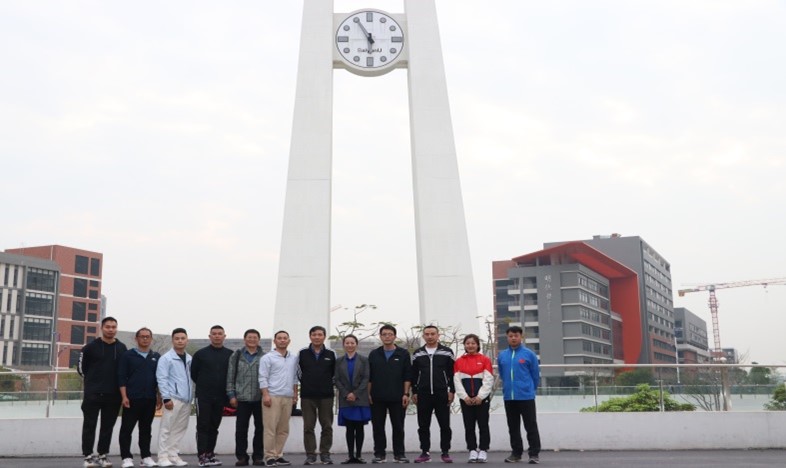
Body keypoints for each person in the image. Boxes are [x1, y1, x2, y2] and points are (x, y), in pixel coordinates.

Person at [79, 316, 128, 468]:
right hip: (92, 394)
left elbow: (124, 370)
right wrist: (92, 382)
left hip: (113, 395)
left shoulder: (122, 348)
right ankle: (88, 456)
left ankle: (102, 455)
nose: (111, 330)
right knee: (89, 425)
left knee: (107, 427)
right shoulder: (90, 347)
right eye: (108, 327)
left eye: (114, 327)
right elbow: (81, 369)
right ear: (101, 328)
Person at [118, 327, 162, 468]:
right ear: (136, 338)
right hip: (131, 399)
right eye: (142, 336)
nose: (145, 339)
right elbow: (121, 377)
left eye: (147, 336)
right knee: (126, 429)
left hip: (149, 398)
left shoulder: (156, 356)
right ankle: (126, 458)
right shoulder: (128, 355)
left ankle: (146, 457)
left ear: (151, 339)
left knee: (146, 429)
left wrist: (159, 396)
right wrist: (124, 396)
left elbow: (159, 379)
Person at [367, 324, 412, 464]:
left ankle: (399, 454)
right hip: (377, 397)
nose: (387, 337)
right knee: (378, 427)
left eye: (390, 334)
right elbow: (369, 377)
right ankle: (379, 454)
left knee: (398, 426)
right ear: (380, 337)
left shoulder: (403, 354)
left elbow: (407, 376)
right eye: (384, 334)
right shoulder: (374, 354)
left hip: (398, 396)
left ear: (395, 336)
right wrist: (368, 394)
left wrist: (406, 394)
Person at [411, 325, 456, 464]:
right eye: (427, 334)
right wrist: (414, 392)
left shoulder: (447, 352)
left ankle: (445, 452)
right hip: (423, 394)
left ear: (438, 335)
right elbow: (414, 375)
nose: (430, 336)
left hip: (442, 393)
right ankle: (425, 452)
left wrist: (452, 391)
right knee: (423, 426)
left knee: (445, 425)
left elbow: (452, 373)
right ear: (423, 336)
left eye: (432, 334)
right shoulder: (418, 353)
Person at [497, 326, 541, 465]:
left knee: (530, 426)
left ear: (521, 337)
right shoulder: (502, 355)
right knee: (513, 427)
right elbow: (502, 373)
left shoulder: (529, 354)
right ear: (507, 337)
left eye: (516, 335)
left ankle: (534, 454)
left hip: (526, 396)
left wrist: (530, 390)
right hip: (509, 397)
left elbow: (535, 375)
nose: (513, 338)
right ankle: (516, 453)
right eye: (510, 336)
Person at [191, 325, 234, 467]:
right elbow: (194, 374)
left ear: (224, 336)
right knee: (203, 425)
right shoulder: (200, 354)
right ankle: (202, 456)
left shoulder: (230, 354)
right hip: (203, 396)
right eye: (214, 334)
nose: (217, 336)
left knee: (214, 426)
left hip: (221, 397)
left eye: (219, 334)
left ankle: (210, 454)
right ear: (209, 336)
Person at [258, 330, 299, 467]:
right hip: (272, 396)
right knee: (270, 429)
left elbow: (295, 378)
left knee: (283, 429)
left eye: (285, 338)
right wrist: (265, 395)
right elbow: (262, 377)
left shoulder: (293, 358)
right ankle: (269, 456)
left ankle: (278, 455)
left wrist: (295, 394)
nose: (282, 340)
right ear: (274, 341)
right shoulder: (267, 358)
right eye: (279, 338)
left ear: (289, 341)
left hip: (287, 397)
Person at [298, 325, 337, 465]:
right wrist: (308, 383)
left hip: (326, 396)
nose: (317, 337)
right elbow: (298, 372)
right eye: (314, 335)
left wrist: (326, 384)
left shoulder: (331, 353)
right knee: (308, 427)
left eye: (320, 335)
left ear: (324, 337)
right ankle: (311, 454)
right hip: (307, 396)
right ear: (310, 336)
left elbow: (335, 373)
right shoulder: (302, 353)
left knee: (327, 426)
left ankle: (325, 453)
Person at [227, 329, 266, 466]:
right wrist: (231, 395)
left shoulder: (264, 357)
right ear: (244, 339)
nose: (252, 340)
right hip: (241, 398)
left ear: (258, 340)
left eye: (255, 337)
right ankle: (242, 456)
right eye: (249, 337)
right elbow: (230, 376)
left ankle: (258, 456)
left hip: (259, 398)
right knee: (241, 430)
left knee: (260, 429)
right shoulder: (236, 355)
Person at [453, 334, 494, 464]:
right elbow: (456, 381)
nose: (470, 345)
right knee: (469, 426)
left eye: (473, 343)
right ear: (464, 345)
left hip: (482, 399)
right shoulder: (459, 361)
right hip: (466, 400)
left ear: (477, 345)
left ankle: (483, 450)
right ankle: (472, 450)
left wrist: (480, 396)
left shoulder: (485, 360)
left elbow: (488, 380)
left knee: (483, 425)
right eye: (468, 343)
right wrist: (464, 397)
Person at [156, 328, 193, 468]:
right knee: (166, 428)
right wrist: (166, 398)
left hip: (186, 399)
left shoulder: (190, 359)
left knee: (180, 429)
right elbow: (162, 378)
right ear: (172, 340)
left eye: (183, 338)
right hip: (172, 398)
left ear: (187, 340)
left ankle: (173, 455)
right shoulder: (166, 358)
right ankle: (162, 457)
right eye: (177, 338)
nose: (180, 341)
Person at [334, 334, 371, 464]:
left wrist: (355, 393)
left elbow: (366, 378)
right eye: (347, 343)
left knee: (359, 428)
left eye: (352, 343)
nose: (350, 345)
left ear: (356, 344)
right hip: (346, 399)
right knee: (349, 428)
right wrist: (346, 393)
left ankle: (359, 455)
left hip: (360, 398)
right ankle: (350, 456)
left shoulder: (364, 360)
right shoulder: (339, 361)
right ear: (343, 345)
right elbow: (337, 379)